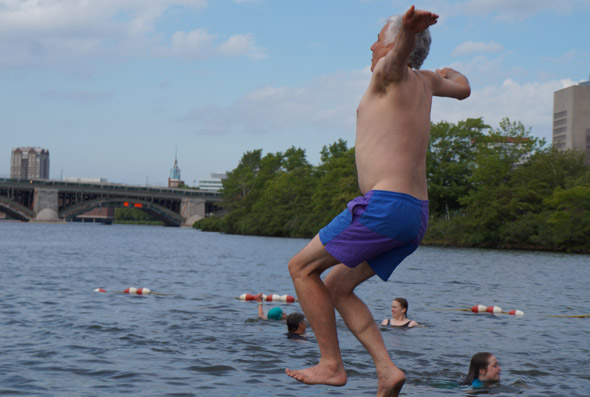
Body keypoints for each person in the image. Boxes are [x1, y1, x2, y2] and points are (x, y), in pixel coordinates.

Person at [285, 5, 470, 396]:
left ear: (390, 47)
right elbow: (464, 88)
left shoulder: (388, 75)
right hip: (416, 216)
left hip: (384, 206)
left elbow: (397, 57)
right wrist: (444, 69)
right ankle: (386, 370)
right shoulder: (427, 82)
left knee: (301, 268)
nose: (370, 45)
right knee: (337, 287)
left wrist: (406, 33)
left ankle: (331, 365)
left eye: (377, 38)